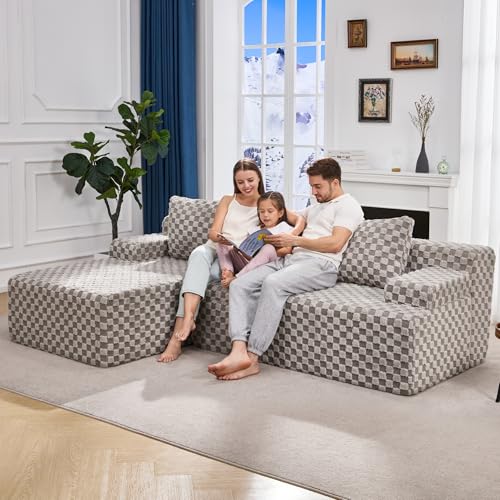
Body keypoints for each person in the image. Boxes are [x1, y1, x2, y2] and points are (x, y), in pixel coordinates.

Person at [208, 158, 364, 380]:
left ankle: (252, 358)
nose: (313, 192)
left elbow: (335, 243)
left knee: (273, 283)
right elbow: (290, 215)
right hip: (292, 260)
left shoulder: (348, 206)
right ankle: (238, 350)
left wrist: (295, 240)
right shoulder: (317, 205)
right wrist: (284, 226)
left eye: (318, 186)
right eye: (311, 186)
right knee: (240, 284)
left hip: (321, 265)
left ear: (335, 183)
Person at [158, 159, 304, 363]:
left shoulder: (266, 204)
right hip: (217, 247)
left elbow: (300, 220)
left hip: (237, 257)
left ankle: (178, 338)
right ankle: (187, 321)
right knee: (198, 254)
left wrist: (292, 236)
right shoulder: (228, 200)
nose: (246, 186)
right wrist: (220, 238)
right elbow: (213, 232)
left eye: (250, 180)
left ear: (259, 178)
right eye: (240, 182)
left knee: (198, 277)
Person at [217, 191, 305, 287]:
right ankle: (228, 271)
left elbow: (287, 251)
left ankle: (237, 279)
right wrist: (242, 251)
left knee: (268, 248)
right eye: (262, 211)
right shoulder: (254, 229)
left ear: (280, 213)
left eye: (270, 211)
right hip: (250, 266)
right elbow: (250, 255)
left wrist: (268, 247)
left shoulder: (284, 228)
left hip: (269, 266)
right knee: (222, 243)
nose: (265, 215)